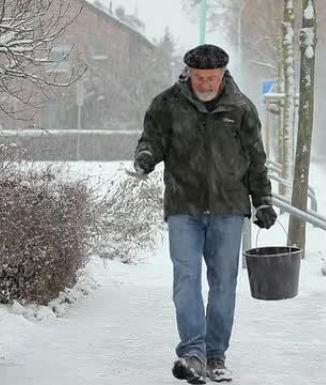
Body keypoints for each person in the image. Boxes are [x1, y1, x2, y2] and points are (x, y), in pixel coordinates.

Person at [132, 44, 277, 384]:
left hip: (228, 209)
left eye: (213, 77)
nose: (207, 83)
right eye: (201, 77)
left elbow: (256, 159)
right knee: (186, 280)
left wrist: (264, 201)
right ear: (189, 73)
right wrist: (145, 159)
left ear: (223, 74)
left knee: (224, 283)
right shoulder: (167, 104)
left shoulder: (240, 108)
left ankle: (216, 355)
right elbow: (151, 140)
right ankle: (192, 353)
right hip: (185, 206)